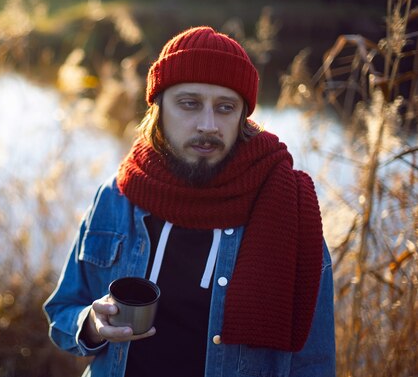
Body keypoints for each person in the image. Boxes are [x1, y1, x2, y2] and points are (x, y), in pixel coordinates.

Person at [43, 26, 336, 377]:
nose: (208, 125)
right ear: (159, 109)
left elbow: (313, 363)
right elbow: (62, 313)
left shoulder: (287, 209)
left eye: (225, 108)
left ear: (243, 116)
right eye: (189, 104)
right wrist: (91, 323)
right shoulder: (118, 197)